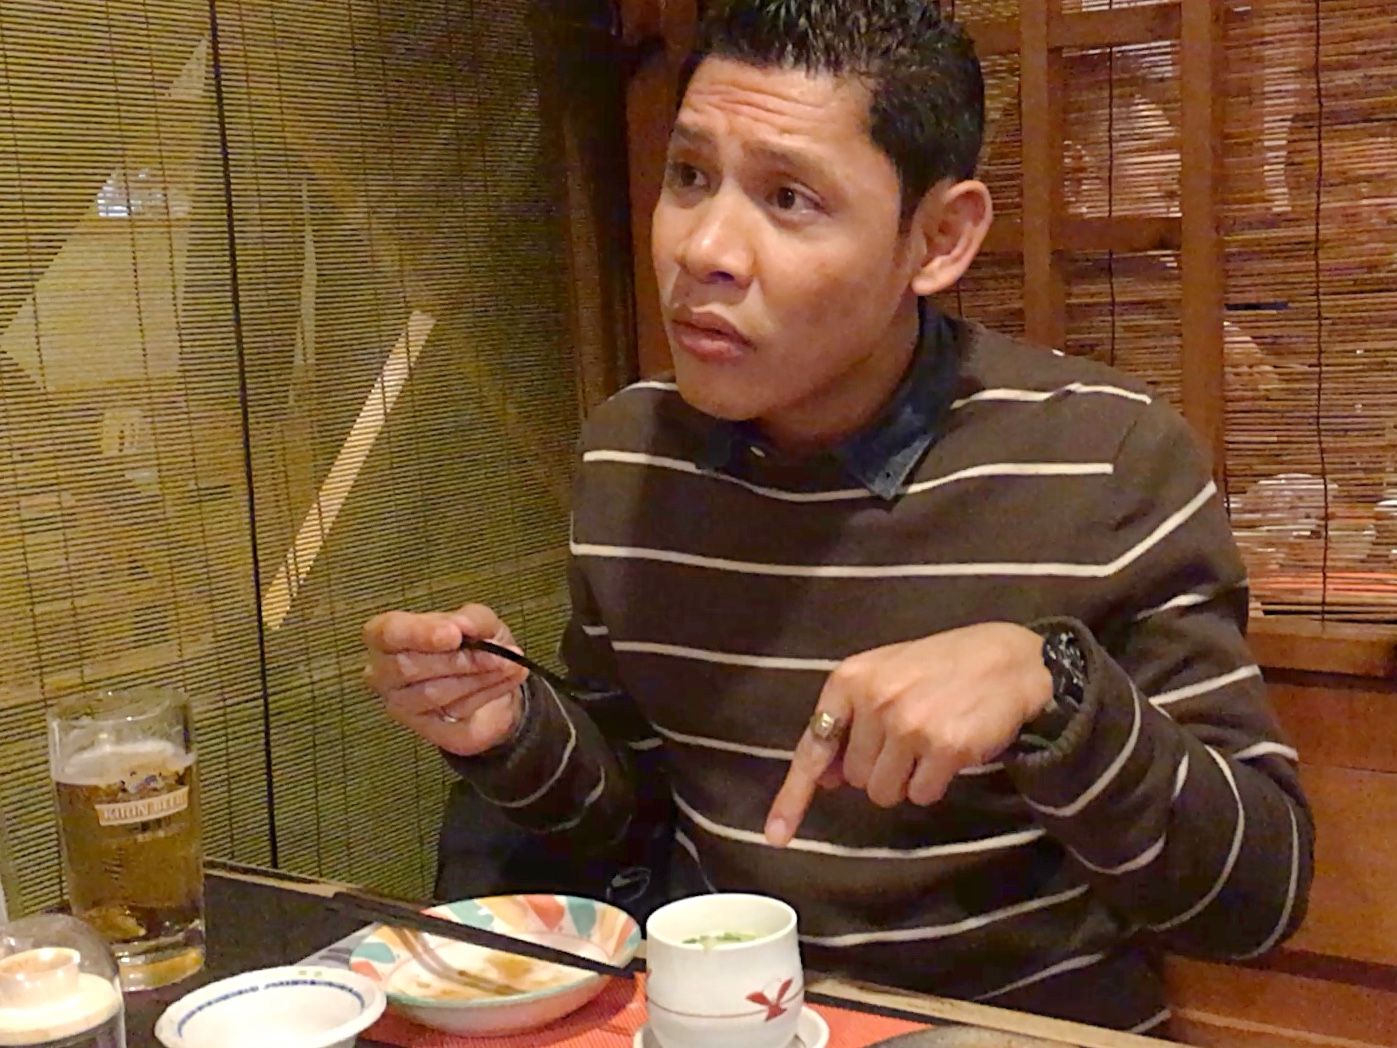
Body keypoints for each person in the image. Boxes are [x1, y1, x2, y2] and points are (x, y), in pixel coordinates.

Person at [363, 0, 1313, 1034]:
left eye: (788, 197)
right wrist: (514, 731)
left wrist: (1053, 686)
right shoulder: (629, 454)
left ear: (938, 238)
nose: (705, 248)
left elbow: (1255, 897)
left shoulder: (1106, 458)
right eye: (689, 176)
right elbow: (627, 816)